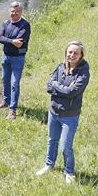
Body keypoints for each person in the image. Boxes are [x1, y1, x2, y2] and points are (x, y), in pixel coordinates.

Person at [36, 41, 90, 184]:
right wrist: (61, 88)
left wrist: (57, 86)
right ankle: (49, 165)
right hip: (53, 111)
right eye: (69, 52)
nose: (71, 55)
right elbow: (49, 86)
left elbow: (72, 92)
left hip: (70, 115)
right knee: (52, 141)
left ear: (81, 55)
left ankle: (69, 172)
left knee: (65, 146)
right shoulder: (60, 67)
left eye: (75, 53)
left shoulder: (83, 72)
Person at [0, 1, 31, 120]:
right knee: (5, 80)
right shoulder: (6, 23)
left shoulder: (25, 25)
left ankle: (13, 109)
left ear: (21, 12)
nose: (14, 14)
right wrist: (11, 41)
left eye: (17, 12)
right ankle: (6, 101)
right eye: (12, 11)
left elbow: (19, 43)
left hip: (18, 58)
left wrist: (8, 40)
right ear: (9, 11)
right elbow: (0, 38)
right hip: (5, 56)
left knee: (14, 83)